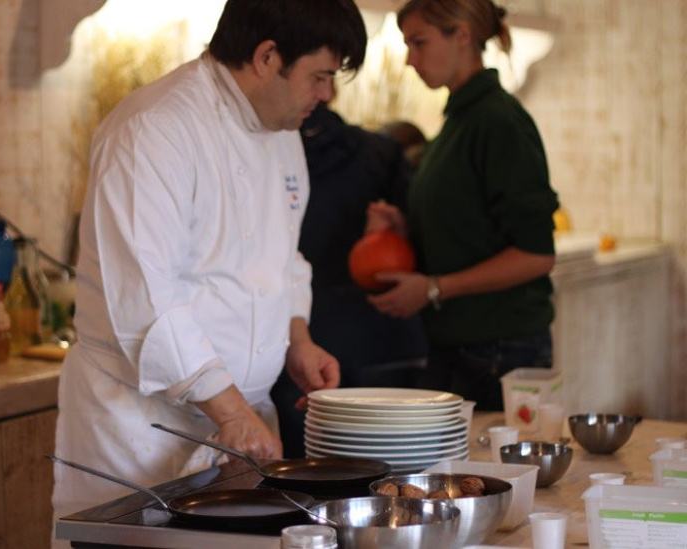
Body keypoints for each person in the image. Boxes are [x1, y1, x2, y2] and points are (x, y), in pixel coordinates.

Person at [50, 0, 367, 543]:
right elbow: (147, 299)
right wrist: (233, 411)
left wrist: (297, 339)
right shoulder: (155, 130)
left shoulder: (283, 131)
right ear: (268, 56)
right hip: (138, 431)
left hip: (238, 431)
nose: (327, 95)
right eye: (319, 76)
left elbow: (282, 260)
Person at [363, 0, 559, 411]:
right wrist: (406, 228)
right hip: (462, 347)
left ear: (463, 35)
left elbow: (536, 255)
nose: (409, 59)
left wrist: (433, 288)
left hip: (499, 351)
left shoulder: (498, 121)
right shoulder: (459, 122)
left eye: (419, 42)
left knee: (489, 476)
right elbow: (466, 228)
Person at [270, 103, 428, 458]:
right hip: (381, 341)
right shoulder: (380, 154)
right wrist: (396, 233)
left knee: (309, 473)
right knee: (394, 468)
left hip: (297, 350)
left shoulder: (265, 156)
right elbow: (421, 252)